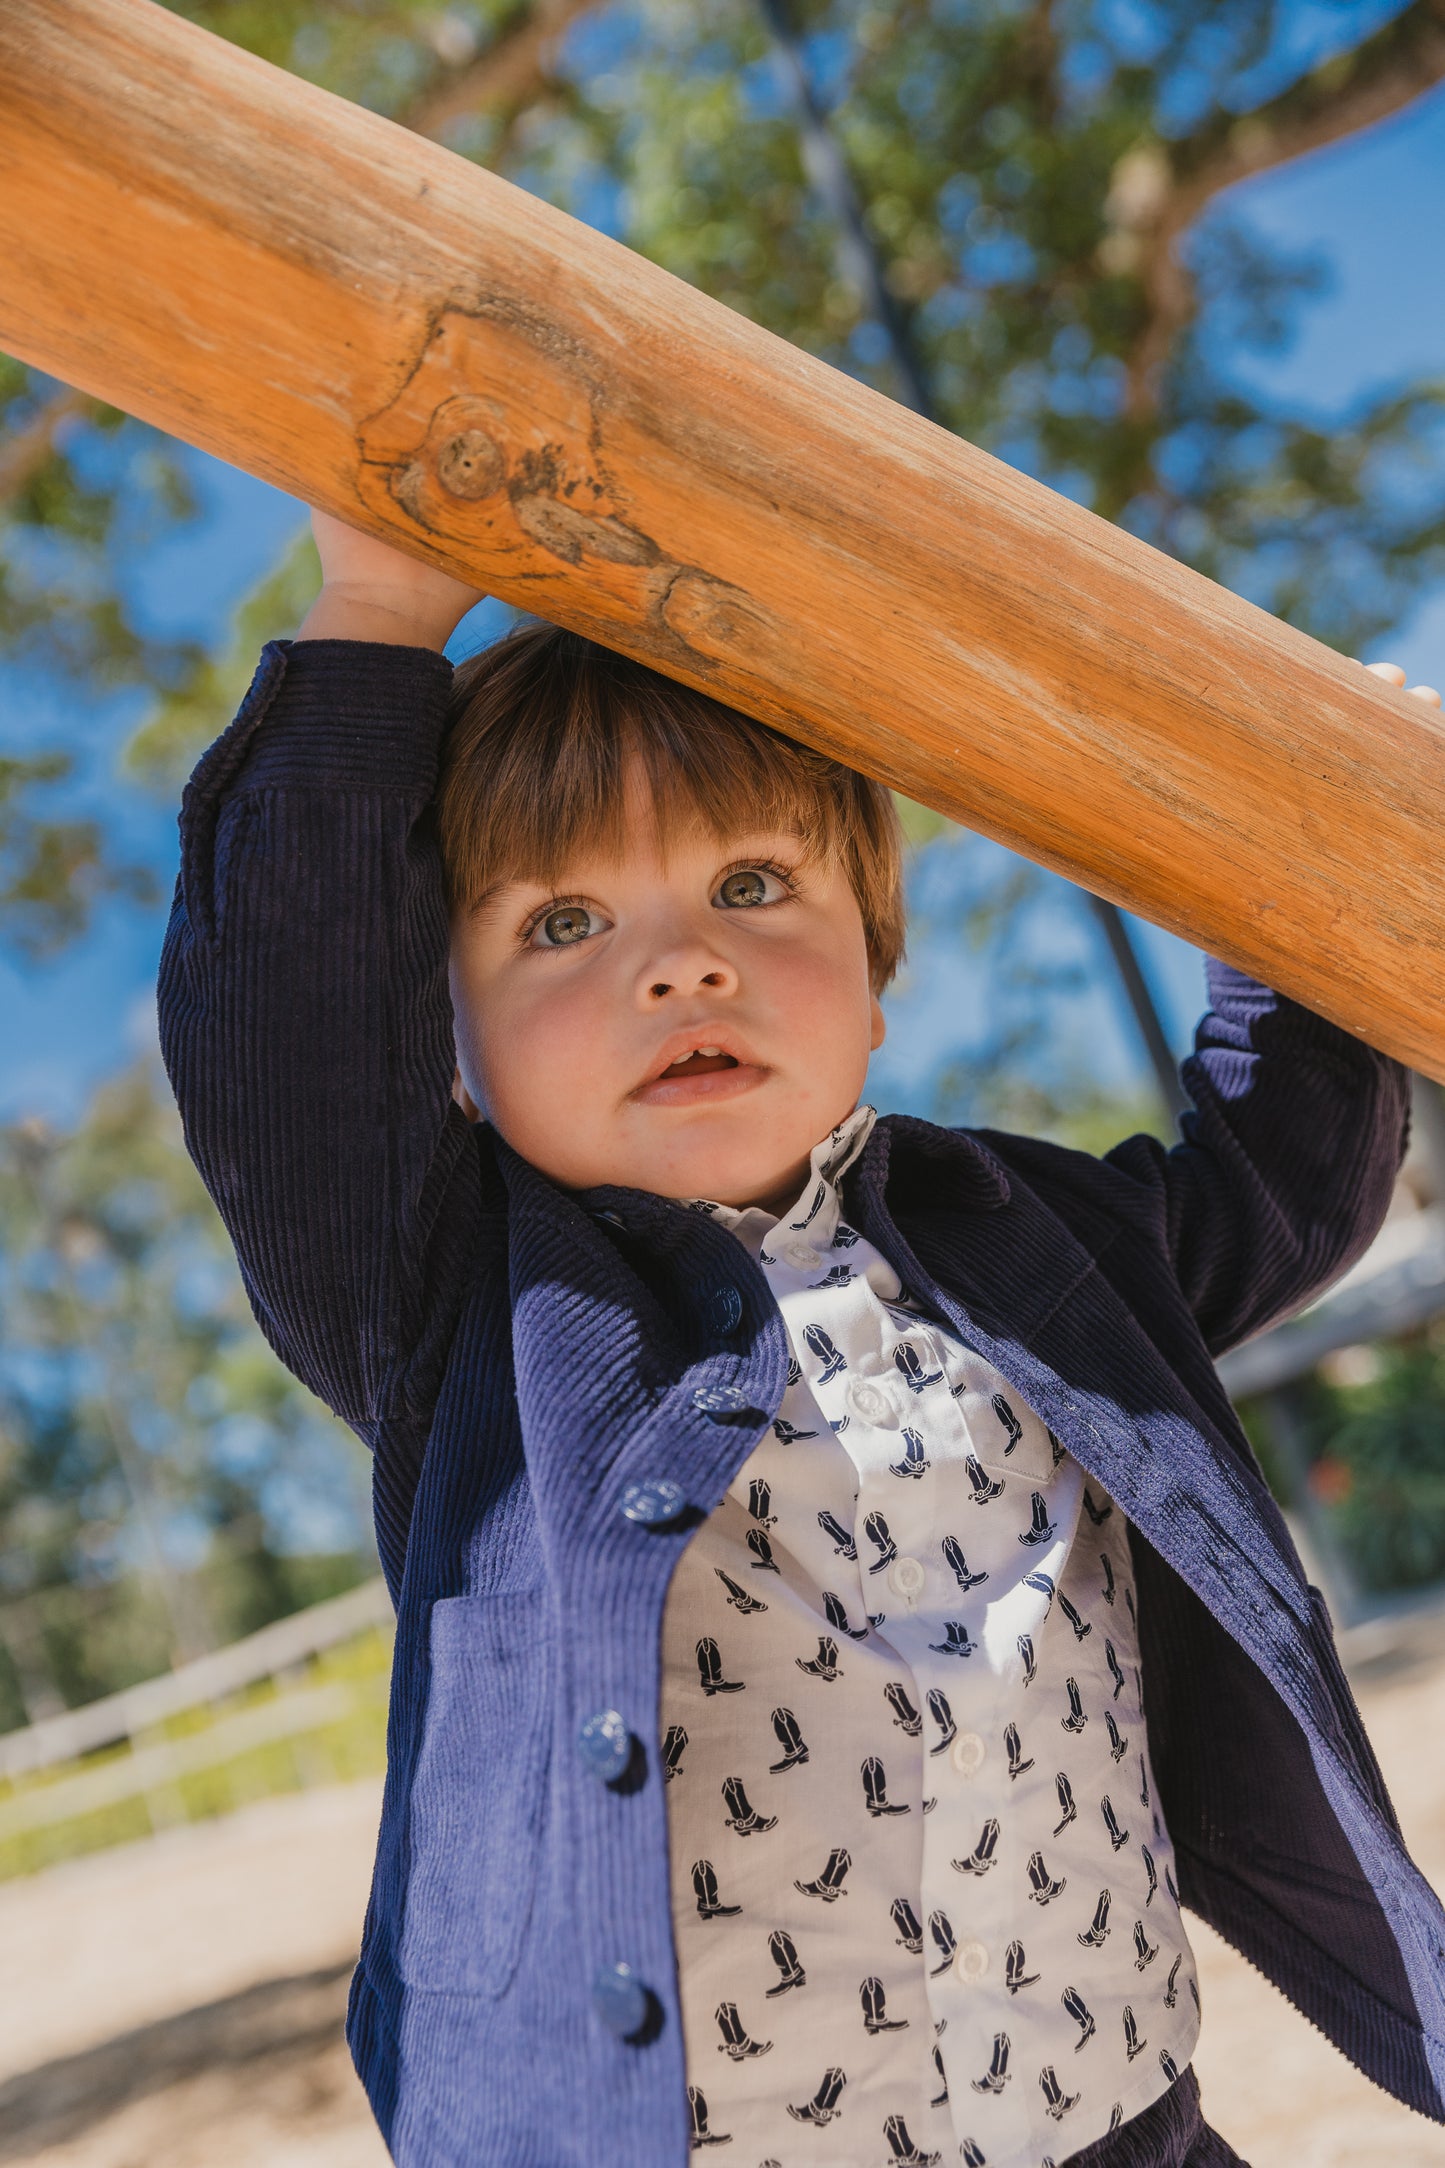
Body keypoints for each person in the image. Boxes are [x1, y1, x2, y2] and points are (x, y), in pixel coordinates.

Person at [157, 508, 1445, 2168]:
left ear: (873, 966)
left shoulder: (1031, 1243)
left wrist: (1310, 833)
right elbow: (293, 1052)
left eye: (752, 884)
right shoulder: (457, 1303)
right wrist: (381, 616)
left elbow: (1286, 1176)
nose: (682, 961)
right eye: (560, 923)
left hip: (1116, 2116)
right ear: (449, 1052)